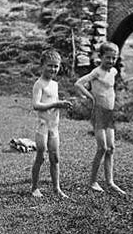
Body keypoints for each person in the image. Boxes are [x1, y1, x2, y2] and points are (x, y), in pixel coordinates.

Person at [75, 41, 126, 195]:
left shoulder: (114, 72)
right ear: (101, 57)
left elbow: (110, 90)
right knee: (102, 148)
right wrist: (92, 97)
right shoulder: (97, 72)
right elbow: (78, 83)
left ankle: (110, 181)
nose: (111, 61)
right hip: (98, 113)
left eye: (114, 58)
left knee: (111, 148)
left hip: (109, 114)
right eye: (108, 58)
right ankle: (93, 181)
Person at [31, 49, 72, 198]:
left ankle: (57, 188)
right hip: (43, 127)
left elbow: (54, 103)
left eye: (56, 66)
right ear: (42, 65)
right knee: (40, 157)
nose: (53, 69)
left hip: (54, 127)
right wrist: (56, 104)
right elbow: (36, 105)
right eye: (50, 65)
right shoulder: (39, 84)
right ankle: (34, 187)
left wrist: (62, 105)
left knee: (55, 158)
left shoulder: (55, 84)